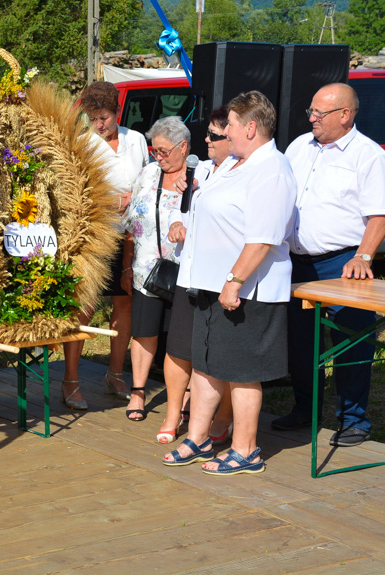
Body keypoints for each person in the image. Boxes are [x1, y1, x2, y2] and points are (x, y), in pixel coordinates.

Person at [162, 91, 296, 475]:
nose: (226, 133)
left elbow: (264, 237)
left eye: (232, 126)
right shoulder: (236, 164)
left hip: (246, 289)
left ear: (251, 128)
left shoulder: (272, 169)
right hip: (209, 284)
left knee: (241, 370)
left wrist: (234, 281)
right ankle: (199, 436)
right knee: (207, 365)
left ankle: (246, 449)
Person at [272, 83, 385, 447]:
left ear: (345, 115)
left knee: (351, 340)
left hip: (343, 263)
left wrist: (363, 257)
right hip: (295, 262)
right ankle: (305, 409)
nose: (311, 118)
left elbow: (379, 216)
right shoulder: (298, 147)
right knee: (300, 341)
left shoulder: (368, 156)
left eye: (319, 113)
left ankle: (353, 419)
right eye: (310, 111)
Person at [61, 81, 148, 410]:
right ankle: (70, 380)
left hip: (131, 236)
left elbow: (146, 179)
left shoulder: (136, 140)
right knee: (83, 306)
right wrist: (106, 200)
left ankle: (115, 372)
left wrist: (133, 199)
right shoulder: (81, 144)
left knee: (124, 304)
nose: (99, 124)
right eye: (93, 118)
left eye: (105, 117)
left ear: (117, 112)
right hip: (95, 236)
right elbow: (72, 194)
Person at [162, 107, 237, 444]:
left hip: (222, 277)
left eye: (213, 135)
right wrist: (180, 224)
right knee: (179, 346)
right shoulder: (201, 170)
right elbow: (193, 216)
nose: (205, 140)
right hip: (189, 274)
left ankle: (222, 418)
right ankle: (172, 413)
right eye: (206, 133)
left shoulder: (243, 173)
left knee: (220, 352)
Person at [121, 116, 186, 422]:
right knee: (144, 333)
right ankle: (137, 390)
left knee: (179, 337)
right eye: (154, 150)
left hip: (185, 271)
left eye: (164, 151)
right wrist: (126, 264)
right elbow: (132, 224)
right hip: (147, 268)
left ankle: (183, 395)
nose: (158, 157)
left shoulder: (201, 176)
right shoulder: (148, 173)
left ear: (183, 147)